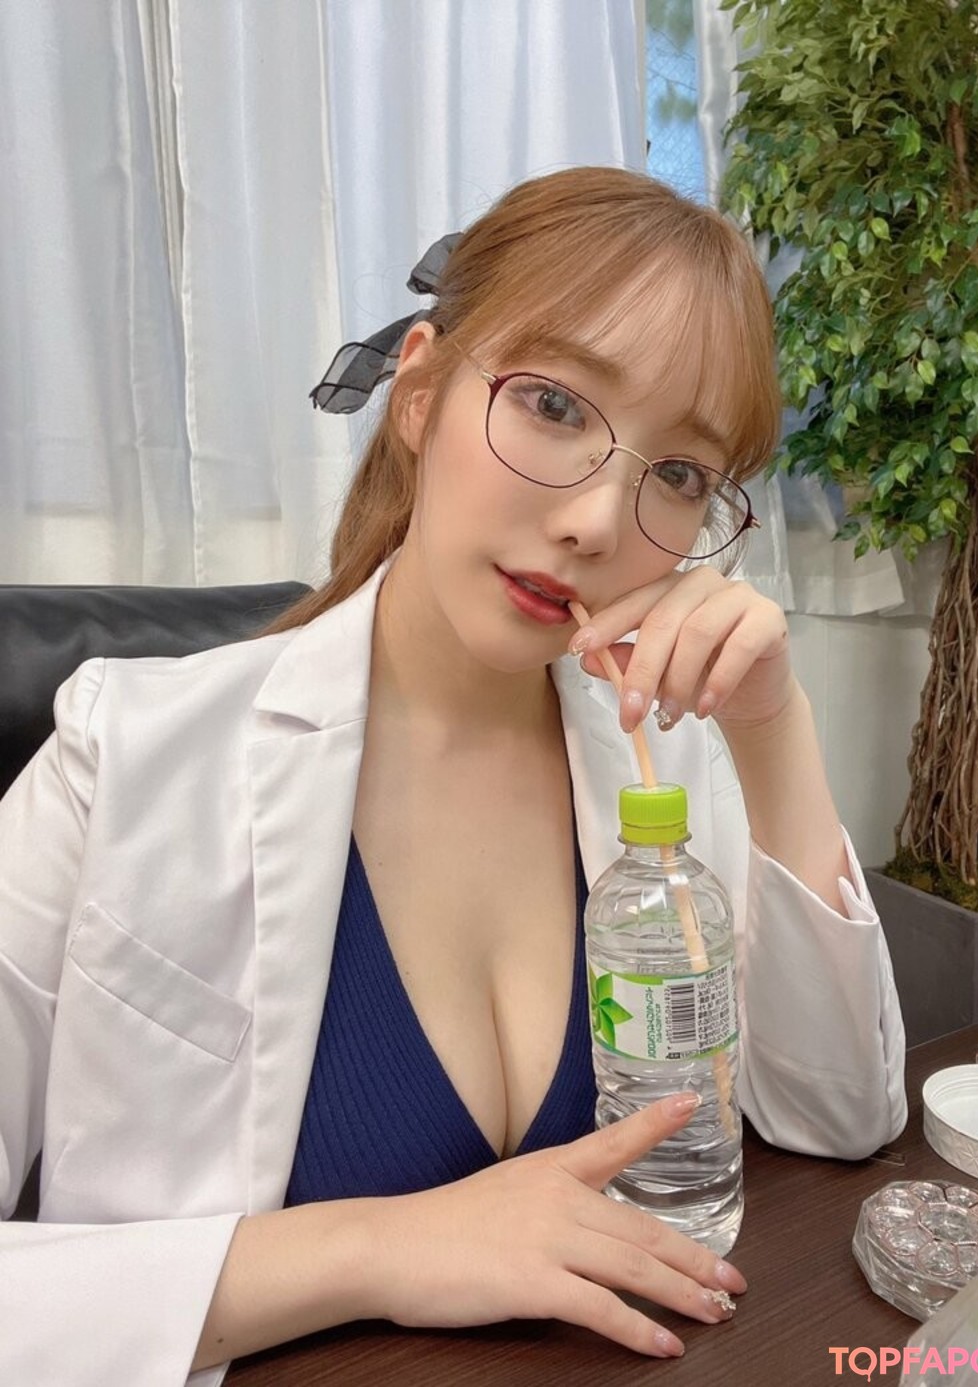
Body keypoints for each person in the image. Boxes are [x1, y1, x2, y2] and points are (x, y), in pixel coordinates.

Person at [0, 166, 907, 1387]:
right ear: (421, 392)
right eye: (553, 404)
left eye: (679, 475)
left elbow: (841, 1116)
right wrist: (381, 1247)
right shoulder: (126, 754)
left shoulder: (664, 759)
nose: (598, 521)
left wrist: (772, 723)